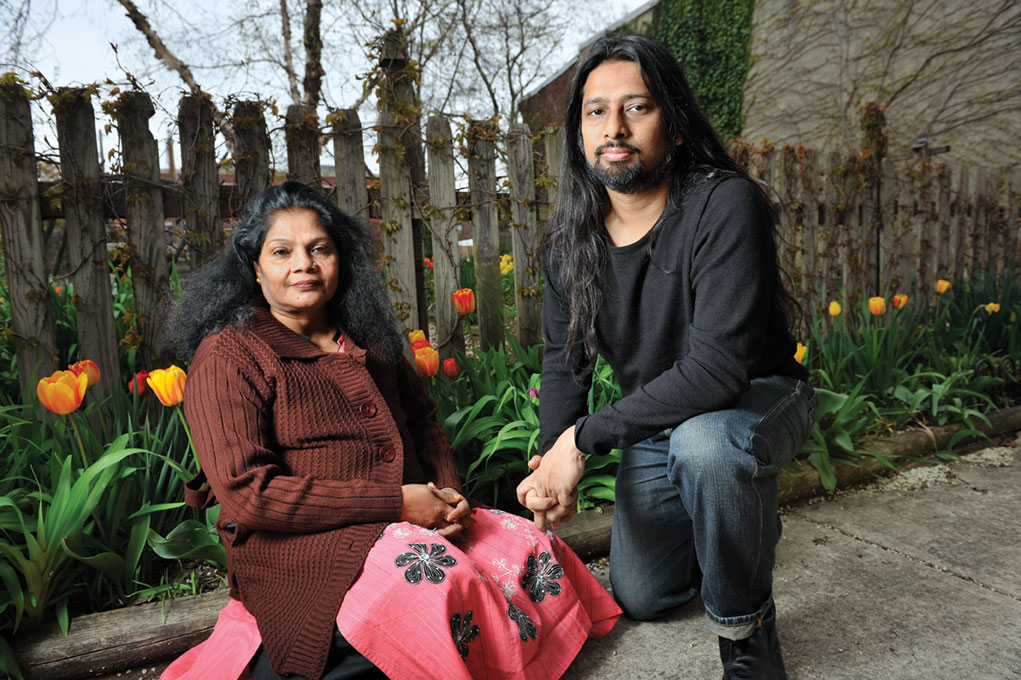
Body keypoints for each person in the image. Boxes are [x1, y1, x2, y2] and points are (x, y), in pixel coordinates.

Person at [161, 181, 620, 680]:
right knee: (432, 582)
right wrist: (396, 504)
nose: (304, 265)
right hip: (300, 544)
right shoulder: (229, 355)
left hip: (404, 518)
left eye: (320, 249)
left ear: (340, 258)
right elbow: (249, 494)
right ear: (254, 267)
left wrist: (448, 495)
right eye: (282, 252)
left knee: (526, 548)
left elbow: (424, 423)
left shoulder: (365, 338)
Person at [516, 36, 817, 680]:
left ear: (674, 125)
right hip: (663, 420)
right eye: (595, 112)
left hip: (757, 395)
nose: (614, 128)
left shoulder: (724, 204)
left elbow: (717, 371)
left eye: (637, 107)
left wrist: (585, 439)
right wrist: (550, 458)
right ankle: (734, 527)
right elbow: (564, 359)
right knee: (642, 597)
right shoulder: (571, 239)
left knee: (709, 449)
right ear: (577, 135)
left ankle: (747, 636)